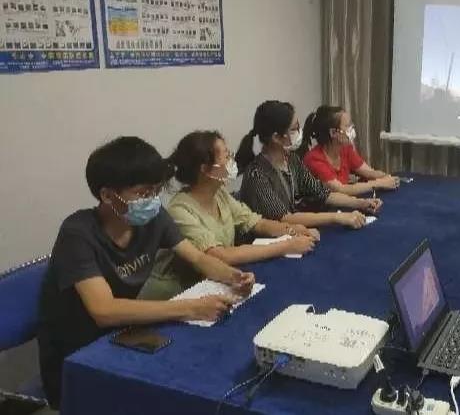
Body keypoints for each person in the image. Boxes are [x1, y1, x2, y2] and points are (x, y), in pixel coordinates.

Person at [37, 137, 255, 408]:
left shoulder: (154, 218)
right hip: (78, 358)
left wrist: (233, 276)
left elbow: (197, 257)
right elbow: (104, 310)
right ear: (107, 195)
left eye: (155, 191)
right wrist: (191, 308)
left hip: (126, 334)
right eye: (142, 193)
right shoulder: (77, 233)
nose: (152, 200)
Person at [138, 131, 320, 300]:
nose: (231, 160)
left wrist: (294, 230)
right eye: (226, 156)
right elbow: (220, 255)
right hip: (179, 292)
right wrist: (287, 245)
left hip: (218, 280)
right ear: (205, 169)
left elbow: (256, 222)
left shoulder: (219, 194)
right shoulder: (180, 209)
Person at [236, 100, 382, 229]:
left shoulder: (292, 160)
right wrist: (337, 217)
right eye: (294, 129)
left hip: (295, 234)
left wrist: (361, 203)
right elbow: (285, 218)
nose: (300, 132)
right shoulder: (257, 174)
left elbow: (322, 193)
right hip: (269, 241)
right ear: (276, 138)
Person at [299, 105, 399, 195]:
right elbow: (341, 189)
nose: (352, 129)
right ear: (333, 133)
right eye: (347, 126)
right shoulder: (314, 159)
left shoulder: (345, 149)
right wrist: (380, 183)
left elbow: (368, 172)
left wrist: (387, 177)